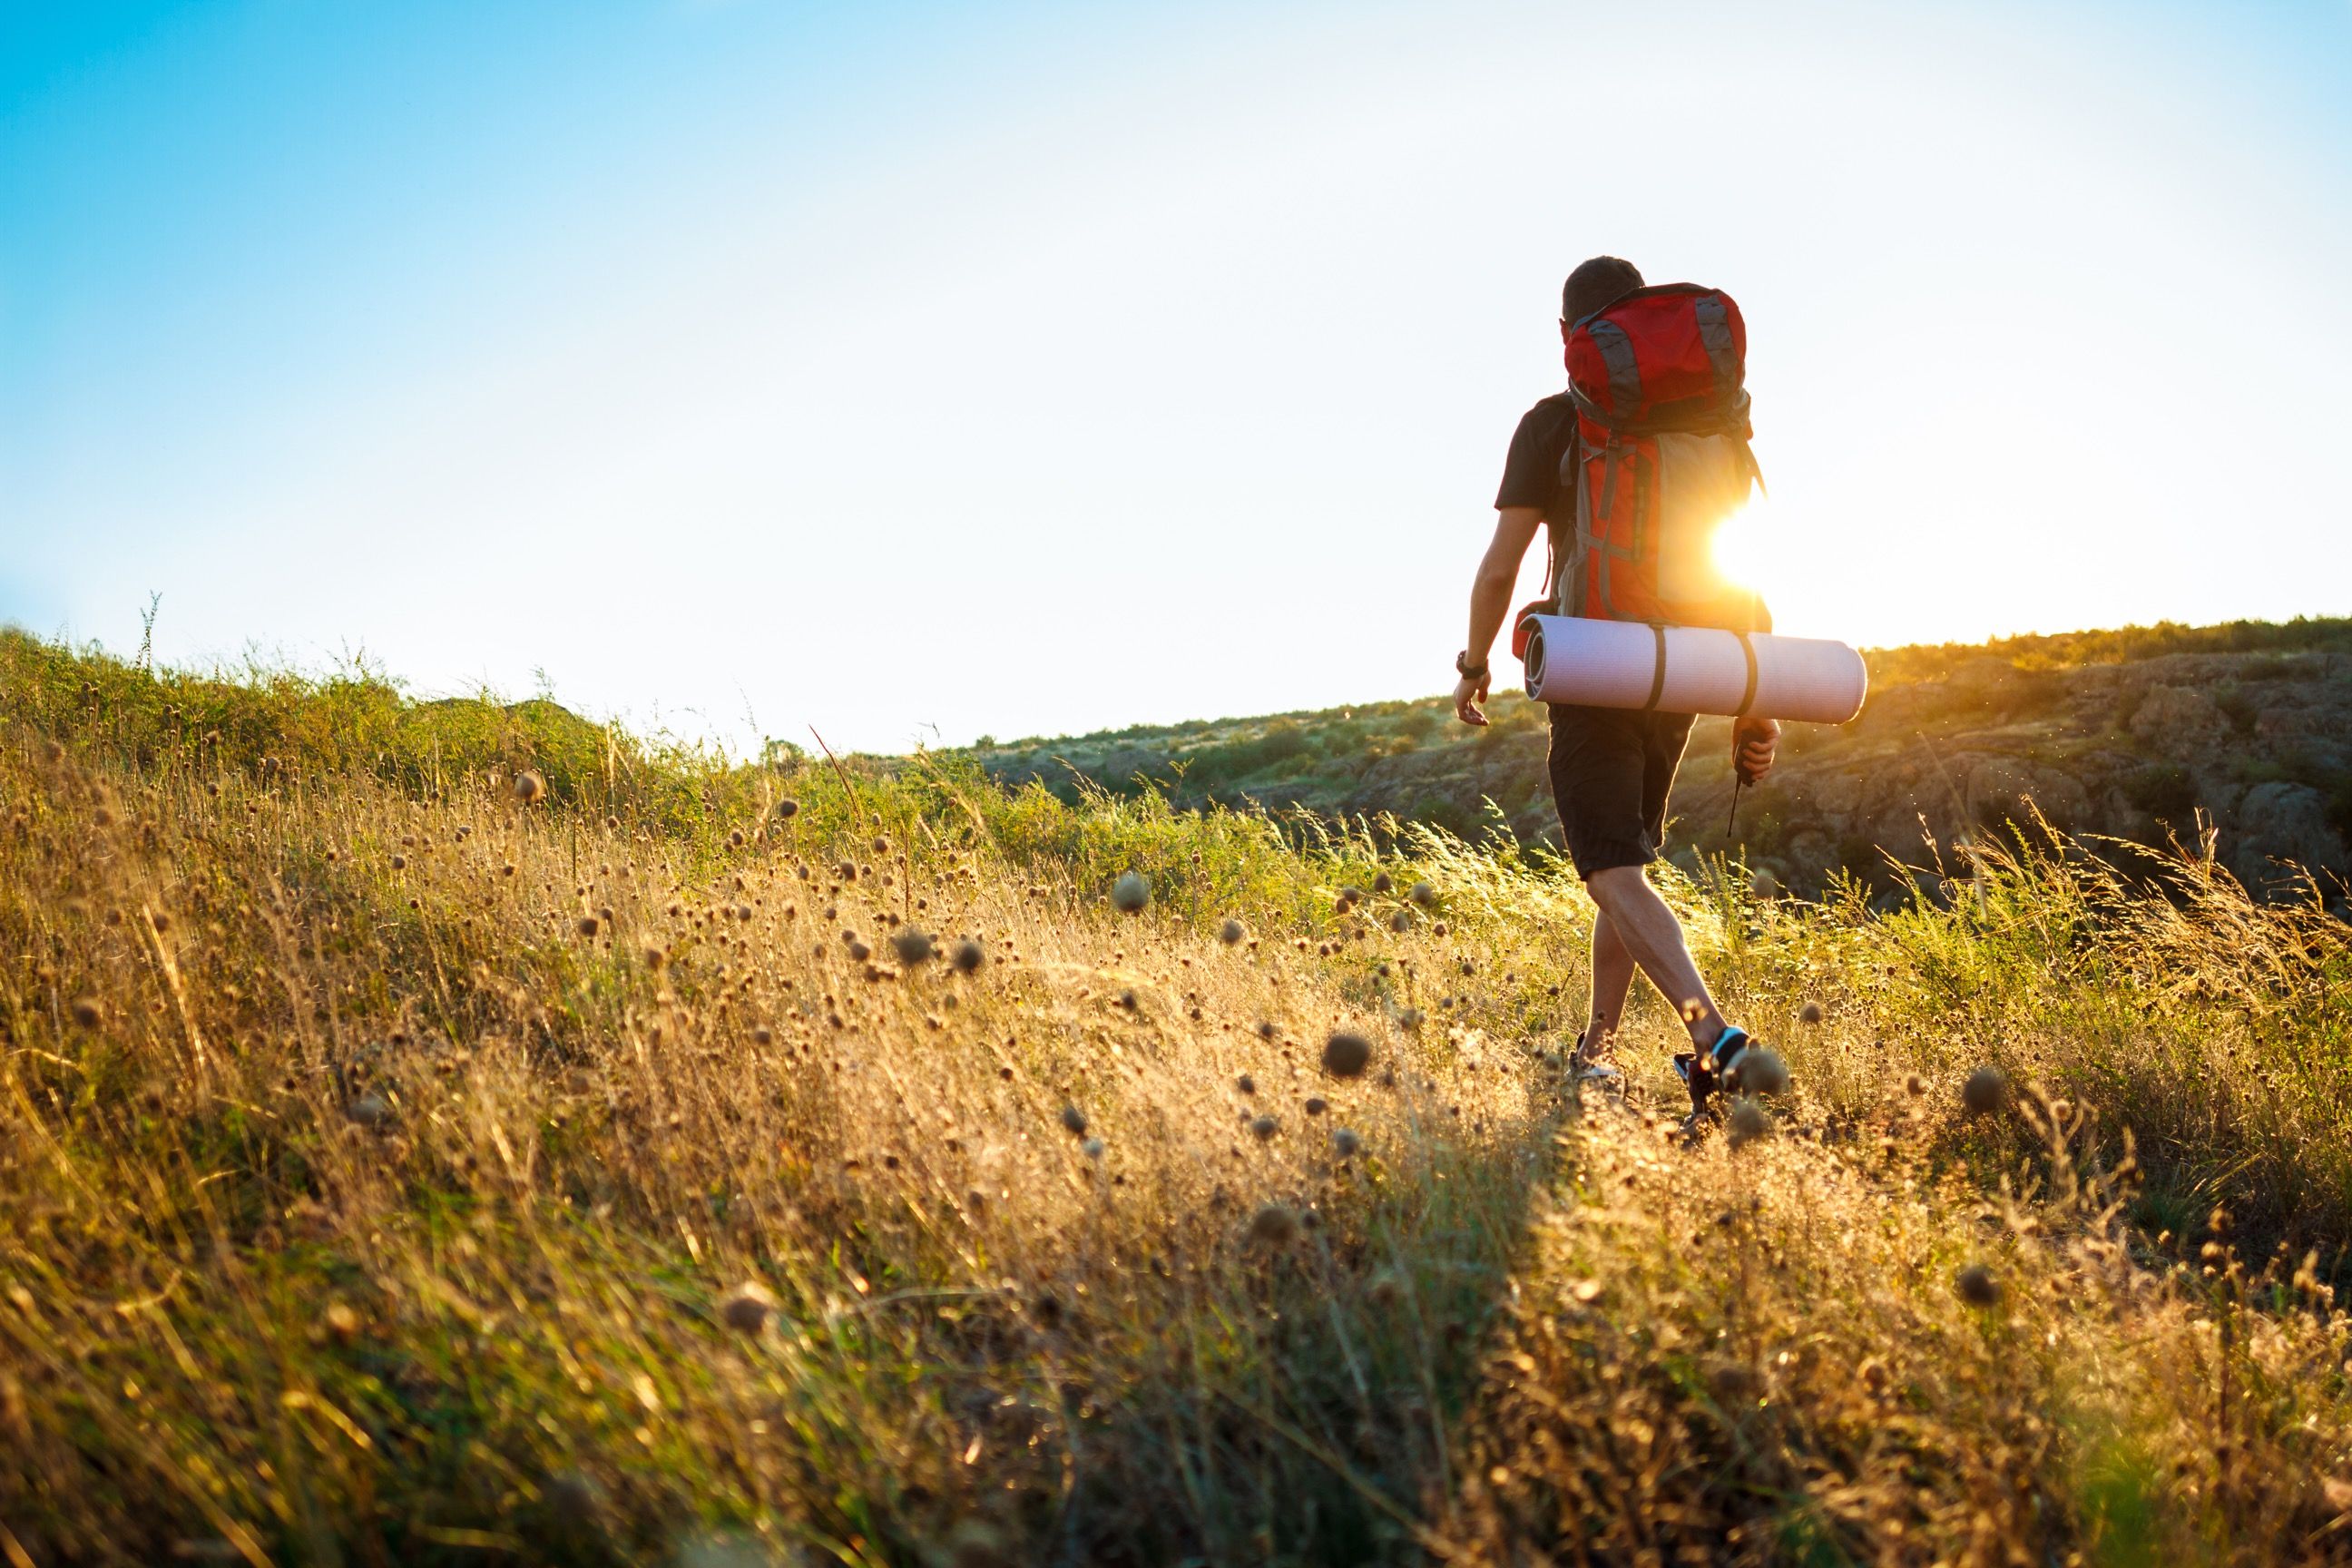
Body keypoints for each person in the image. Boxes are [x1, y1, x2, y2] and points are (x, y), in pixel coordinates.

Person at [1451, 254, 1779, 1125]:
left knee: (1609, 870)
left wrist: (1474, 663)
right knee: (1625, 864)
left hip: (1598, 665)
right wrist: (1757, 694)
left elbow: (1500, 571)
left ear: (1572, 337)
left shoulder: (1558, 423)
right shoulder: (1709, 420)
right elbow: (1738, 561)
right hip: (1686, 666)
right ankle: (1595, 1051)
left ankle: (1716, 1042)